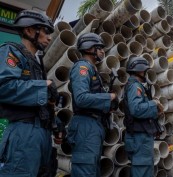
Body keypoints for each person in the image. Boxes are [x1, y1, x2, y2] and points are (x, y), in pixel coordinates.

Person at [0, 10, 61, 176]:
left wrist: (56, 126)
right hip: (23, 133)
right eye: (46, 31)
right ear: (28, 30)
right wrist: (43, 87)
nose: (49, 37)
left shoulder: (36, 63)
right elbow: (3, 86)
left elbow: (42, 104)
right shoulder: (11, 52)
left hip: (41, 133)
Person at [66, 32, 118, 177]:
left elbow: (93, 97)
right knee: (85, 170)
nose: (102, 51)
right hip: (86, 126)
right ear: (89, 48)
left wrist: (108, 107)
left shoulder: (92, 69)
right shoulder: (82, 67)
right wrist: (109, 97)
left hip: (94, 126)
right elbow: (81, 98)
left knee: (92, 170)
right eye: (99, 47)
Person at [123, 56, 164, 177]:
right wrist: (154, 104)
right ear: (140, 70)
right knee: (142, 171)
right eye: (145, 70)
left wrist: (155, 112)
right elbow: (136, 109)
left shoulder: (137, 85)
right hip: (139, 138)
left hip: (141, 137)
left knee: (144, 169)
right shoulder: (135, 86)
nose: (145, 72)